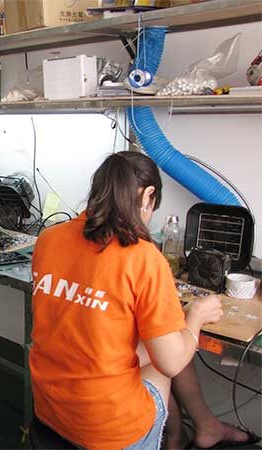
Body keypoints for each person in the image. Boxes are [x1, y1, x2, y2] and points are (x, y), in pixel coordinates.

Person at [30, 151, 224, 449]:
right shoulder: (144, 258)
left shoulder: (49, 239)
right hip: (106, 429)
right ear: (147, 196)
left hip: (50, 406)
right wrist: (195, 315)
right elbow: (171, 362)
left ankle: (197, 429)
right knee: (168, 355)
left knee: (152, 344)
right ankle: (177, 437)